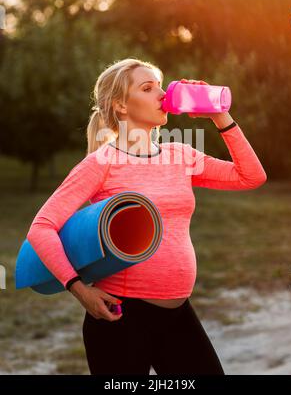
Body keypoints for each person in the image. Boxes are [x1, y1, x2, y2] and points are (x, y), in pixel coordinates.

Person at [27, 58, 267, 375]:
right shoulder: (102, 163)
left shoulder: (181, 155)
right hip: (121, 318)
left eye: (161, 86)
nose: (162, 94)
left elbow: (251, 176)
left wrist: (219, 115)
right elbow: (42, 227)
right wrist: (80, 290)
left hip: (179, 313)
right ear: (121, 106)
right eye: (148, 87)